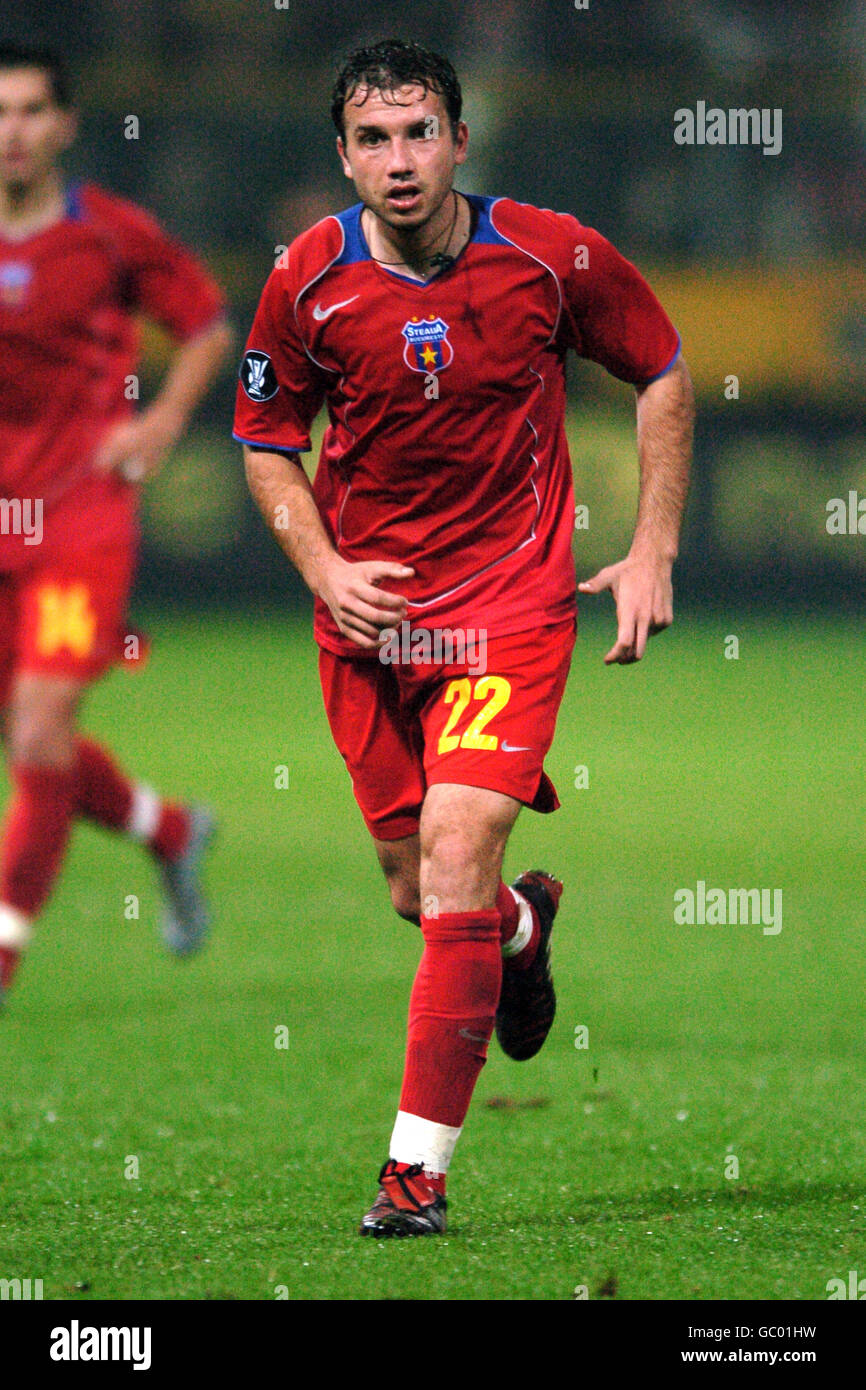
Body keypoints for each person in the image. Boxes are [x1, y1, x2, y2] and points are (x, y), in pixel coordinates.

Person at [235, 38, 693, 1237]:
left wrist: (650, 549)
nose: (398, 160)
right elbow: (266, 437)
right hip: (368, 623)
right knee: (417, 892)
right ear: (342, 155)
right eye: (373, 140)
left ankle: (413, 1176)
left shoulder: (550, 255)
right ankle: (522, 930)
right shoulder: (304, 280)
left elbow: (659, 367)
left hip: (506, 609)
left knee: (451, 851)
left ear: (458, 140)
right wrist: (324, 567)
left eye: (418, 132)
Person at [0, 44, 232, 1006]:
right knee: (31, 739)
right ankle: (170, 832)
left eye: (29, 112)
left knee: (43, 727)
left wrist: (164, 419)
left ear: (65, 126)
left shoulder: (108, 234)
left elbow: (209, 325)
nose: (11, 132)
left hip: (80, 526)